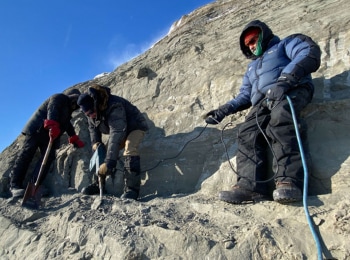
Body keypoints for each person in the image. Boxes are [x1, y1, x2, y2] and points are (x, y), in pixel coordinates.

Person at [204, 20, 321, 204]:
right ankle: (251, 188)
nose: (251, 46)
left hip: (292, 89)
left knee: (281, 119)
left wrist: (285, 80)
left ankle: (289, 181)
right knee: (246, 132)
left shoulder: (284, 44)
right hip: (263, 102)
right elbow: (245, 95)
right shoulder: (252, 67)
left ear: (263, 34)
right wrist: (223, 111)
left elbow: (308, 52)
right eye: (247, 44)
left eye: (253, 40)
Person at [77, 83, 149, 200]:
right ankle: (99, 184)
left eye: (91, 112)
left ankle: (131, 190)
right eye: (87, 114)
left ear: (96, 104)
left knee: (129, 147)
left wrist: (109, 163)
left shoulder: (114, 105)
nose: (91, 115)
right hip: (120, 130)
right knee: (102, 151)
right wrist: (96, 143)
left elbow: (116, 132)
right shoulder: (91, 113)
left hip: (135, 127)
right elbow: (93, 129)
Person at [10, 89, 85, 198]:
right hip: (36, 130)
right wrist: (52, 125)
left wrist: (73, 137)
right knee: (26, 154)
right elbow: (52, 108)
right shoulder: (58, 98)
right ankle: (14, 185)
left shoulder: (67, 112)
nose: (75, 106)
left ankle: (34, 186)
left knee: (48, 157)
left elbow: (67, 125)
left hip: (48, 136)